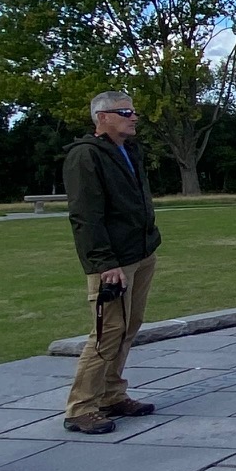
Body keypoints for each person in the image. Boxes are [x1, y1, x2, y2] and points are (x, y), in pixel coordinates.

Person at [62, 91, 161, 434]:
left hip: (141, 252)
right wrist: (105, 263)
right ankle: (81, 407)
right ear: (103, 117)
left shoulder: (129, 149)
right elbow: (86, 216)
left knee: (128, 327)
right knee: (107, 332)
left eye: (134, 111)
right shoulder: (85, 156)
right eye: (125, 112)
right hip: (113, 261)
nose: (134, 117)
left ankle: (111, 394)